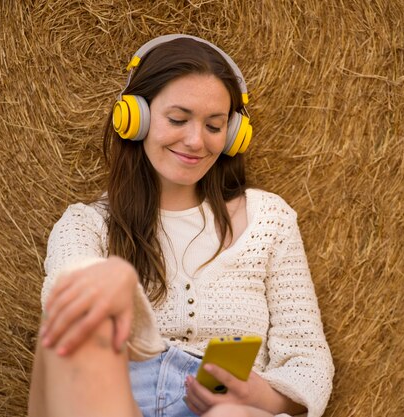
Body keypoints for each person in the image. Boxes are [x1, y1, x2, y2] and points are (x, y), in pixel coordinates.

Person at [27, 34, 334, 417]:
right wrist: (119, 282)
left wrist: (260, 396)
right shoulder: (85, 225)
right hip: (118, 404)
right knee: (84, 307)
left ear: (234, 135)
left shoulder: (269, 221)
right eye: (178, 119)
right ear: (134, 118)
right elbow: (67, 303)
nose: (195, 141)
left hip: (230, 410)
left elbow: (309, 361)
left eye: (214, 125)